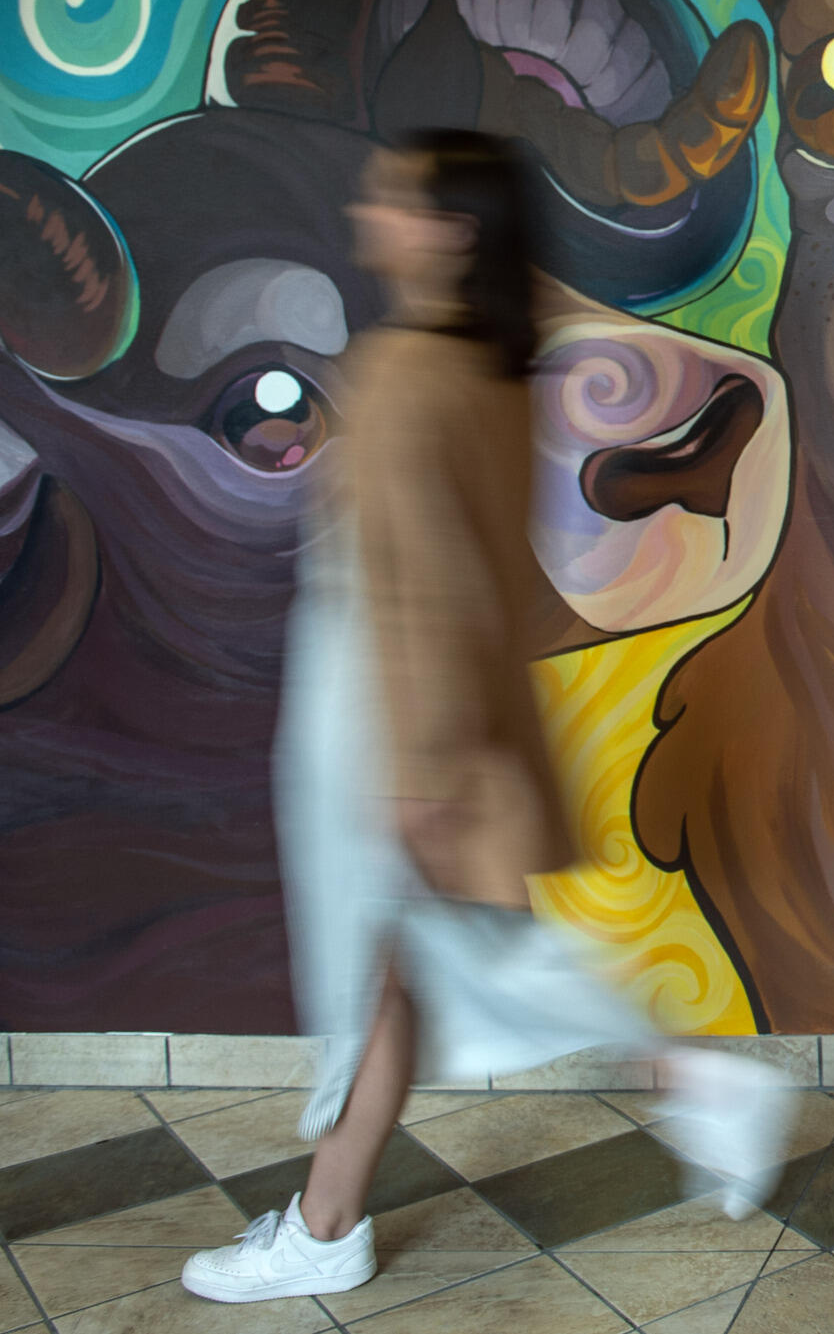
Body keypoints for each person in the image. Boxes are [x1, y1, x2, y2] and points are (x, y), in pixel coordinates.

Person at [184, 131, 787, 1306]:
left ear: (451, 232)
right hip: (437, 701)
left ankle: (692, 1079)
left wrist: (421, 766)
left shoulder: (406, 366)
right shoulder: (493, 368)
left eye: (395, 201)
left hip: (385, 705)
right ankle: (329, 1218)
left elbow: (428, 582)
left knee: (445, 959)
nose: (370, 215)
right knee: (401, 967)